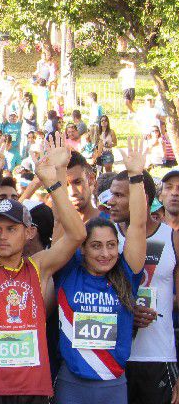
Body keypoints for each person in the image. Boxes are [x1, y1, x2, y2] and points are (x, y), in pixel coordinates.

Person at [0, 136, 86, 402]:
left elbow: (77, 234)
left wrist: (52, 182)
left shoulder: (39, 267)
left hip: (34, 390)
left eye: (11, 229)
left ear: (29, 233)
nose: (2, 236)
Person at [53, 138, 148, 403]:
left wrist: (136, 175)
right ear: (82, 248)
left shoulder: (126, 274)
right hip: (71, 383)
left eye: (111, 246)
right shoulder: (67, 270)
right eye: (96, 246)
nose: (105, 253)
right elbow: (60, 219)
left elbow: (138, 226)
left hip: (113, 385)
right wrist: (59, 171)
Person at [107, 164, 179, 403]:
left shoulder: (172, 237)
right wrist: (125, 310)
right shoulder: (105, 239)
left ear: (141, 197)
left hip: (158, 358)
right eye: (111, 194)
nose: (111, 201)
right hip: (112, 357)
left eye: (119, 195)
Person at [66, 151, 102, 222]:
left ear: (91, 179)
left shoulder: (112, 225)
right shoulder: (54, 226)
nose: (72, 192)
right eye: (64, 185)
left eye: (77, 182)